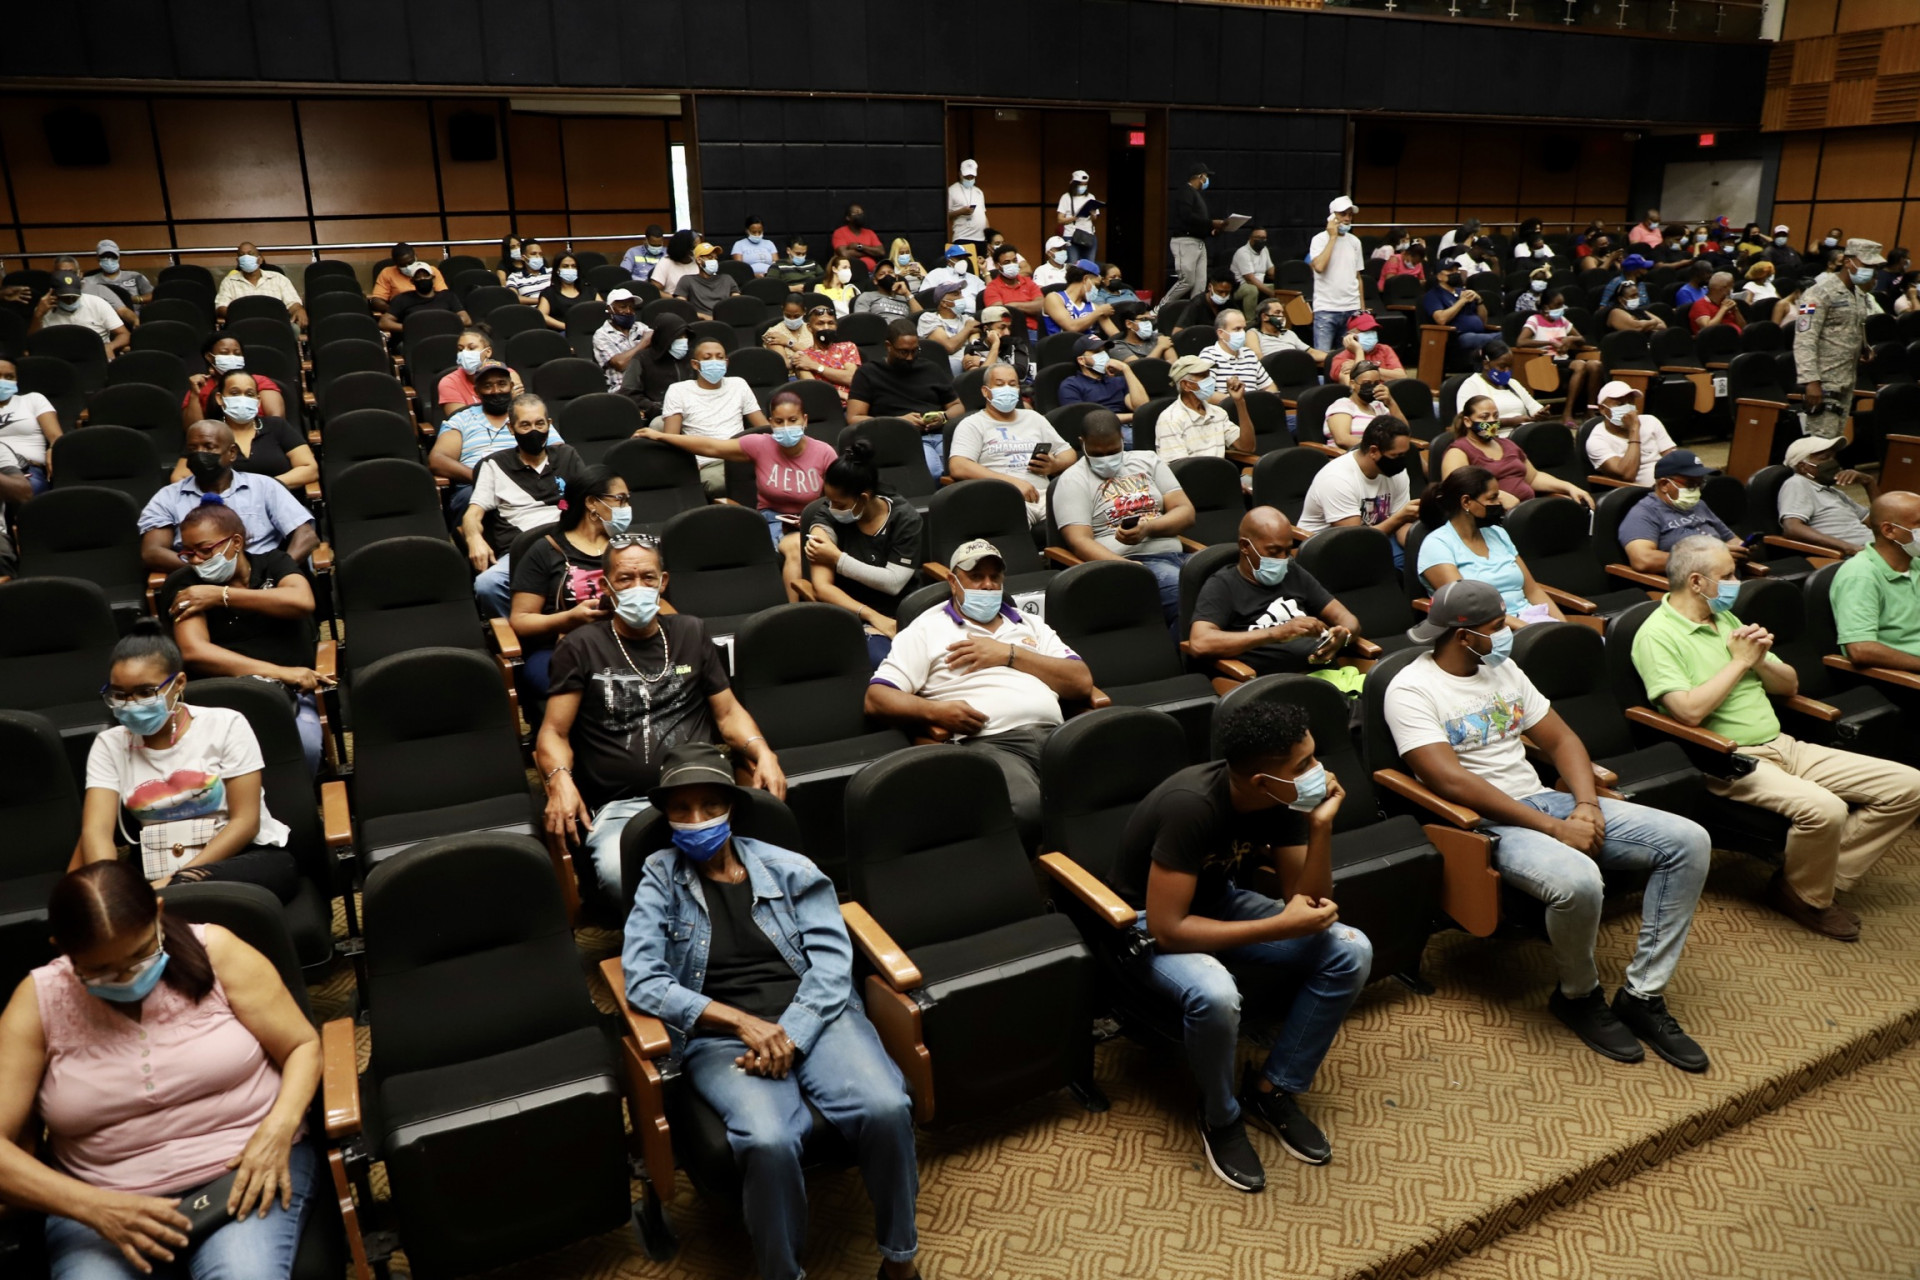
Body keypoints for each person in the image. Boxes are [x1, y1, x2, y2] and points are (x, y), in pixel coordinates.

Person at [620, 742, 921, 1280]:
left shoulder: (790, 869)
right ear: (666, 816)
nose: (696, 820)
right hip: (721, 1036)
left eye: (710, 806)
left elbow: (832, 967)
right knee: (768, 1139)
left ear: (732, 808)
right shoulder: (659, 878)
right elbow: (643, 980)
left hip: (817, 1016)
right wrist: (741, 1022)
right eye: (681, 809)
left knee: (885, 1105)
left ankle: (899, 1262)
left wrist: (792, 1034)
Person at [1389, 578, 1711, 1067]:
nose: (1508, 633)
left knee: (1690, 841)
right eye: (1497, 626)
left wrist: (1586, 805)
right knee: (1579, 881)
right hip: (1486, 823)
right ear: (1463, 635)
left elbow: (1562, 741)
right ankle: (1578, 995)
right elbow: (1449, 781)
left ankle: (1643, 995)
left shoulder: (1504, 669)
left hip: (1545, 800)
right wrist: (1556, 830)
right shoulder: (1411, 689)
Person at [0, 861, 323, 1277]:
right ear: (62, 948)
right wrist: (92, 1206)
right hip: (100, 1199)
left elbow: (302, 1045)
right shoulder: (38, 999)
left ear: (157, 912)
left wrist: (278, 1130)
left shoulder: (216, 952)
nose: (126, 979)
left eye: (139, 955)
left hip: (243, 1167)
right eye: (101, 970)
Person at [1112, 696, 1373, 1191]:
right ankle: (1220, 1116)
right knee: (1215, 995)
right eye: (1305, 765)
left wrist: (1320, 826)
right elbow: (1167, 929)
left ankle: (1272, 1089)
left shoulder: (1284, 797)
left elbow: (1310, 902)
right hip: (1144, 924)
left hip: (1219, 901)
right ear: (1260, 780)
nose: (1319, 772)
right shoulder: (1191, 806)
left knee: (1351, 949)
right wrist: (1276, 928)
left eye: (1314, 757)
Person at [1636, 535, 1920, 939]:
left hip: (1784, 745)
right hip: (1730, 759)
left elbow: (1789, 685)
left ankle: (1808, 880)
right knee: (1827, 809)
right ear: (1696, 582)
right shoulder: (1656, 635)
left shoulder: (1726, 620)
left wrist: (1759, 661)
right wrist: (1740, 663)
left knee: (1909, 786)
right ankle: (1809, 896)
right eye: (1728, 575)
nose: (1737, 582)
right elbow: (1689, 712)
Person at [537, 537, 786, 905]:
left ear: (663, 582)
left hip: (702, 789)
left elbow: (729, 713)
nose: (638, 587)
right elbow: (554, 732)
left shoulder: (690, 632)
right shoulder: (579, 646)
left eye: (648, 577)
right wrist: (559, 778)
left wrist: (763, 752)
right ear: (606, 586)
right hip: (622, 805)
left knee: (772, 857)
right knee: (619, 875)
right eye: (625, 578)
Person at [868, 538, 1090, 837]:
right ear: (953, 582)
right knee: (1027, 808)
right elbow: (877, 698)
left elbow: (1081, 682)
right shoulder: (925, 629)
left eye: (994, 577)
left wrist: (1009, 654)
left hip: (1056, 735)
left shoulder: (1030, 624)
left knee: (1108, 792)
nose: (987, 585)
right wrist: (935, 712)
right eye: (976, 576)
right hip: (990, 743)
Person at [80, 620, 302, 898]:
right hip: (158, 863)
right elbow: (97, 831)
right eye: (120, 695)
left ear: (178, 684)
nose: (131, 704)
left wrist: (175, 881)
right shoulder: (109, 744)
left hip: (239, 858)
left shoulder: (226, 724)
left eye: (145, 692)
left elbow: (245, 822)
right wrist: (111, 889)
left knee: (175, 896)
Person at [158, 501, 330, 772]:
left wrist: (222, 596)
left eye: (205, 550)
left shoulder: (274, 563)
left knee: (304, 746)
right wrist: (281, 672)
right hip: (222, 697)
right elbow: (195, 651)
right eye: (188, 553)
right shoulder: (184, 584)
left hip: (292, 693)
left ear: (236, 542)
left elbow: (301, 601)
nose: (196, 560)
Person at [1054, 411, 1194, 626]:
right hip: (1131, 561)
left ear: (1122, 438)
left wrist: (1148, 528)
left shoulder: (1148, 461)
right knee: (1184, 597)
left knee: (1223, 585)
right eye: (1097, 453)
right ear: (1082, 443)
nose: (1105, 459)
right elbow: (1078, 541)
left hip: (1178, 555)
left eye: (1112, 451)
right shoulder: (1072, 480)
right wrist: (1129, 568)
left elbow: (1185, 512)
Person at [643, 389, 834, 547]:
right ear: (770, 422)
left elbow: (834, 502)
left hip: (813, 520)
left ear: (805, 420)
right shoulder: (760, 445)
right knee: (793, 549)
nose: (786, 427)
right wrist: (662, 436)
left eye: (793, 420)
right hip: (772, 520)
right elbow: (712, 447)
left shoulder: (824, 452)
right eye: (778, 421)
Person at [505, 465, 629, 704]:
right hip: (559, 648)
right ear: (592, 503)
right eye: (620, 499)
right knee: (596, 689)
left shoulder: (628, 547)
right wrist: (568, 619)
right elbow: (521, 621)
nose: (627, 508)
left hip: (624, 641)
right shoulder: (546, 550)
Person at [1188, 506, 1363, 675]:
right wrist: (1277, 633)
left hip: (1328, 673)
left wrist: (1344, 635)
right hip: (1274, 682)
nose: (1282, 559)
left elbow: (1346, 618)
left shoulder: (1293, 572)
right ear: (1245, 546)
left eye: (1287, 551)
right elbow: (1200, 643)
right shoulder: (1222, 585)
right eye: (1273, 551)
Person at [461, 393, 588, 617]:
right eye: (525, 425)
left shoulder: (567, 456)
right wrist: (473, 539)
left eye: (540, 424)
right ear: (512, 429)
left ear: (549, 424)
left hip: (569, 544)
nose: (534, 431)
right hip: (520, 551)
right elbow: (472, 514)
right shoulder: (493, 464)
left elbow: (591, 500)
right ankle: (517, 632)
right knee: (487, 585)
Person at [793, 444, 924, 659]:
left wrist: (837, 559)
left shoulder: (905, 519)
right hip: (852, 613)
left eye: (838, 503)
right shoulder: (826, 516)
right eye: (828, 500)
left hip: (902, 609)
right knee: (885, 662)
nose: (831, 508)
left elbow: (894, 582)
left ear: (863, 498)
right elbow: (823, 587)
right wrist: (872, 616)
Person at [138, 420, 317, 574]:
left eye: (209, 447)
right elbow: (152, 552)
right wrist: (206, 572)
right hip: (197, 580)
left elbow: (307, 536)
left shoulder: (264, 486)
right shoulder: (167, 497)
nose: (199, 454)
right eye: (192, 449)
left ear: (232, 453)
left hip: (261, 577)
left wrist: (276, 573)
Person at [1416, 466, 1566, 626]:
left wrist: (1563, 626)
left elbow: (1533, 590)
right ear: (1466, 502)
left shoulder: (1497, 533)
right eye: (1492, 498)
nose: (1499, 503)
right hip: (1487, 630)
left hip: (1530, 620)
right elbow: (1468, 607)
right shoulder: (1437, 545)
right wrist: (1528, 630)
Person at [948, 364, 1076, 527]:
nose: (1007, 389)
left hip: (1045, 496)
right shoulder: (972, 424)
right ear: (985, 391)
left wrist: (1055, 465)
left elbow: (1068, 452)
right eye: (1000, 384)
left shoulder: (1034, 418)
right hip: (1003, 497)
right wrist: (1012, 483)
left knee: (1083, 520)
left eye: (1012, 384)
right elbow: (958, 466)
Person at [432, 360, 560, 515]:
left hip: (531, 481)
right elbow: (438, 459)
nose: (496, 391)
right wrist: (483, 477)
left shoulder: (530, 416)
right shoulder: (461, 419)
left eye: (502, 384)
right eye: (487, 386)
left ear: (511, 386)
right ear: (477, 391)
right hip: (477, 487)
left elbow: (558, 450)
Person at [846, 323, 964, 479]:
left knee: (967, 467)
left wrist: (943, 417)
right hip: (902, 437)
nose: (910, 357)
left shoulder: (931, 369)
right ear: (888, 346)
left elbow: (957, 406)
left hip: (941, 434)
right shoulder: (868, 373)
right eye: (903, 352)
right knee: (933, 471)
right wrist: (899, 422)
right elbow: (854, 418)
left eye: (914, 351)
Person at [1297, 417, 1420, 566]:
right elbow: (1355, 541)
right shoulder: (1337, 479)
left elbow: (1401, 529)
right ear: (1373, 451)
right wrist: (1400, 517)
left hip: (1377, 539)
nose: (1402, 461)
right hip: (1329, 549)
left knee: (1418, 562)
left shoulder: (1396, 473)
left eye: (1404, 454)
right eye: (1396, 456)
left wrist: (1422, 549)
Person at [171, 370, 316, 496]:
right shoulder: (209, 432)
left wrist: (266, 486)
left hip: (280, 503)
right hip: (225, 508)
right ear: (220, 399)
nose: (242, 399)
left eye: (249, 394)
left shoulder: (277, 426)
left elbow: (309, 468)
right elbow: (179, 476)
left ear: (257, 401)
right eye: (234, 393)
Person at [1796, 237, 1883, 441]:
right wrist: (1811, 381)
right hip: (1824, 381)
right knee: (1820, 444)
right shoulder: (1818, 293)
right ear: (1847, 262)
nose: (1871, 271)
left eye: (1874, 267)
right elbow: (1804, 339)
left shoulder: (1858, 293)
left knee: (1836, 441)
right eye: (1867, 265)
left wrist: (1864, 347)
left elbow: (1856, 325)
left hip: (1847, 378)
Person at [1440, 396, 1593, 510]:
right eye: (1485, 417)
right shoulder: (1458, 451)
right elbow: (1456, 490)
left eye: (1495, 416)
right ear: (1467, 421)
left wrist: (1568, 487)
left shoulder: (1507, 444)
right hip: (1493, 518)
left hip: (1528, 510)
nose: (1492, 421)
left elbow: (1533, 477)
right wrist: (1496, 496)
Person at [658, 341, 769, 496]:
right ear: (695, 364)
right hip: (707, 463)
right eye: (707, 358)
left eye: (720, 357)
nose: (715, 361)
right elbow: (671, 438)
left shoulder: (738, 384)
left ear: (726, 363)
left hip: (740, 457)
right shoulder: (678, 390)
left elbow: (763, 428)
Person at [1832, 490, 1920, 674]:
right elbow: (1861, 649)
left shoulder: (1915, 563)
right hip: (1904, 676)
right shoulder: (1860, 576)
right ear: (1889, 531)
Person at [1619, 450, 1743, 573]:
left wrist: (1742, 547)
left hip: (1727, 574)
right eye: (1690, 484)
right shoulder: (1644, 513)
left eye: (1700, 484)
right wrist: (1704, 558)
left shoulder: (1699, 505)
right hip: (1692, 581)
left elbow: (1730, 538)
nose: (1696, 490)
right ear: (1664, 485)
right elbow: (1643, 560)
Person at [1776, 434, 1875, 553]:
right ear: (1803, 467)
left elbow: (1878, 522)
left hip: (1876, 547)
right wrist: (1849, 548)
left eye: (1833, 457)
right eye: (1825, 458)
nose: (1832, 462)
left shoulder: (1834, 492)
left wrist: (1869, 482)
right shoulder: (1797, 483)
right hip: (1854, 554)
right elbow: (1792, 528)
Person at [1518, 294, 1600, 424]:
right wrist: (1550, 342)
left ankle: (1590, 409)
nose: (1562, 308)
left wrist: (1571, 338)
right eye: (1558, 305)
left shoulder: (1562, 320)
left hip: (1564, 359)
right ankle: (1567, 413)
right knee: (1580, 365)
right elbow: (1521, 342)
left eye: (1562, 305)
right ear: (1546, 307)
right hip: (1544, 361)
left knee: (1595, 365)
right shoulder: (1535, 320)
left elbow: (1581, 339)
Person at [1156, 354, 1254, 461]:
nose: (1210, 380)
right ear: (1186, 385)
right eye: (1203, 376)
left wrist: (1240, 402)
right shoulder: (1170, 419)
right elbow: (1179, 467)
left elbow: (1247, 448)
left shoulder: (1218, 413)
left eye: (1208, 375)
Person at [184, 335, 289, 429]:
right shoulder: (199, 386)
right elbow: (194, 430)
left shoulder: (260, 381)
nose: (232, 357)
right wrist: (194, 394)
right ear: (209, 357)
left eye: (237, 354)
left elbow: (277, 422)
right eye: (224, 353)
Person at [1585, 381, 1677, 486]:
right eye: (1620, 404)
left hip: (1669, 484)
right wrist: (1634, 429)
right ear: (1602, 409)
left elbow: (1674, 459)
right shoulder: (1597, 440)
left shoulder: (1651, 421)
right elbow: (1628, 474)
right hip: (1639, 492)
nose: (1628, 409)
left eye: (1631, 403)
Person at [1305, 197, 1365, 352]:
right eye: (1343, 214)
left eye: (1350, 215)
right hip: (1326, 308)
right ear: (1332, 216)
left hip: (1352, 308)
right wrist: (1333, 237)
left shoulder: (1355, 242)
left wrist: (1362, 311)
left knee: (1349, 358)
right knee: (1323, 357)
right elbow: (1319, 267)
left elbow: (1358, 277)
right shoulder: (1319, 239)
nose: (1347, 218)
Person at [1058, 335, 1149, 436]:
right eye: (1097, 352)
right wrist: (1134, 416)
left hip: (1131, 426)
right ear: (1081, 360)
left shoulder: (1118, 380)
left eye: (1104, 350)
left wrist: (1126, 369)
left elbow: (1142, 407)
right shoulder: (1071, 385)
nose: (1103, 355)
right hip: (1101, 432)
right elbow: (1085, 420)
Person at [1164, 159, 1222, 310]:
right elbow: (1187, 216)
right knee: (1187, 281)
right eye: (1206, 176)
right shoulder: (1185, 191)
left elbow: (1198, 223)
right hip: (1185, 241)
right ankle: (1159, 310)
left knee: (1200, 284)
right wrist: (1211, 223)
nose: (1207, 180)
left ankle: (1193, 314)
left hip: (1199, 242)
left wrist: (1211, 230)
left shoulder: (1196, 194)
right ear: (1200, 176)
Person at [30, 269, 129, 356]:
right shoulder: (43, 308)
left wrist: (110, 347)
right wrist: (38, 315)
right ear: (53, 293)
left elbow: (124, 334)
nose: (70, 301)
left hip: (96, 353)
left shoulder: (97, 303)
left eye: (74, 297)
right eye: (65, 297)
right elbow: (32, 343)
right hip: (60, 355)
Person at [0, 355, 62, 492]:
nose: (3, 381)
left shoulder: (33, 400)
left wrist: (53, 449)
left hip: (26, 470)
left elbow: (56, 437)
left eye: (9, 377)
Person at [437, 324, 524, 419]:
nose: (464, 353)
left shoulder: (509, 374)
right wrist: (505, 401)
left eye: (471, 348)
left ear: (488, 352)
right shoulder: (449, 382)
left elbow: (520, 415)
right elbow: (461, 421)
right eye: (460, 349)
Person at [621, 312, 694, 422]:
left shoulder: (692, 357)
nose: (683, 341)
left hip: (694, 411)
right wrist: (654, 408)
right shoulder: (642, 359)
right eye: (678, 337)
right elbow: (628, 393)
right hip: (660, 414)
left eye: (685, 336)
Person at [1458, 342, 1551, 428]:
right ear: (1486, 364)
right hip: (1493, 436)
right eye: (1502, 366)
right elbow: (1465, 423)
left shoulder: (1513, 383)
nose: (1507, 371)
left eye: (1509, 367)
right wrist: (1510, 422)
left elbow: (1535, 408)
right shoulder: (1471, 385)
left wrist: (1541, 414)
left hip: (1522, 433)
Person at [378, 261, 468, 350]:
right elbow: (384, 323)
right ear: (412, 281)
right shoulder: (402, 299)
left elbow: (466, 320)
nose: (422, 278)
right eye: (418, 277)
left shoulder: (448, 296)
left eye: (426, 276)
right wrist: (411, 327)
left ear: (433, 279)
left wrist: (440, 326)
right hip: (414, 341)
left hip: (445, 338)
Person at [212, 245, 306, 329]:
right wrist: (243, 314)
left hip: (276, 325)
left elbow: (293, 303)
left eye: (250, 254)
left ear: (260, 259)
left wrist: (299, 310)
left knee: (293, 329)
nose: (246, 257)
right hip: (242, 325)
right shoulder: (229, 281)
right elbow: (221, 307)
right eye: (242, 255)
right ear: (238, 261)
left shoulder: (278, 278)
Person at [1322, 362, 1403, 451]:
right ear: (1352, 384)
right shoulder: (1343, 405)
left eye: (1376, 383)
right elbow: (1342, 439)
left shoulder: (1378, 406)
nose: (1372, 387)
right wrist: (1379, 448)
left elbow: (1402, 432)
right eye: (1367, 383)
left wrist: (1391, 402)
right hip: (1351, 455)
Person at [791, 305, 863, 403]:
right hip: (826, 405)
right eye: (820, 323)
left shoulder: (847, 347)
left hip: (854, 404)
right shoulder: (802, 356)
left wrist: (815, 366)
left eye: (830, 323)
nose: (826, 328)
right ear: (809, 327)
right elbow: (815, 388)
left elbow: (851, 379)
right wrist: (842, 394)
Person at [1420, 269, 1498, 356]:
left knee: (1502, 336)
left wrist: (1479, 301)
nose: (1455, 273)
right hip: (1458, 337)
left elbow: (1483, 321)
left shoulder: (1464, 292)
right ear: (1439, 276)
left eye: (1456, 270)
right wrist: (1462, 301)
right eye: (1450, 270)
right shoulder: (1433, 295)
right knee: (1500, 338)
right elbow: (1441, 319)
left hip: (1479, 334)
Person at [1200, 310, 1276, 396]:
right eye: (1237, 329)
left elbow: (1270, 387)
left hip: (1255, 403)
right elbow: (1206, 394)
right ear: (1221, 333)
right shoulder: (1209, 355)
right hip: (1227, 404)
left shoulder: (1249, 354)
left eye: (1244, 328)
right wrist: (1239, 401)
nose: (1242, 333)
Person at [591, 288, 651, 392]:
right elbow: (620, 363)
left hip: (648, 385)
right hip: (622, 389)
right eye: (623, 307)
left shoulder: (641, 327)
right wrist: (644, 342)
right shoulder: (601, 335)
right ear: (610, 309)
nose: (628, 311)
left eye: (631, 307)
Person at [982, 243, 1044, 340]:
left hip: (1035, 331)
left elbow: (1041, 305)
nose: (1012, 264)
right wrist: (1028, 307)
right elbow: (999, 314)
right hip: (1011, 334)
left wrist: (1013, 305)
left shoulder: (1028, 281)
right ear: (997, 265)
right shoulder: (992, 288)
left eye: (1015, 261)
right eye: (1007, 262)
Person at [916, 280, 977, 376]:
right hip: (947, 365)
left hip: (970, 361)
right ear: (944, 303)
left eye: (960, 293)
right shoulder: (928, 318)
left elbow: (975, 345)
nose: (962, 298)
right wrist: (967, 329)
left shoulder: (967, 319)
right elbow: (949, 347)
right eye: (956, 295)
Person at [1041, 263, 1117, 339]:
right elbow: (1071, 327)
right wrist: (1099, 312)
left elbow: (1116, 335)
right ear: (1085, 279)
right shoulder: (1054, 298)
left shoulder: (1093, 307)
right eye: (1096, 286)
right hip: (1063, 345)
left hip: (1091, 344)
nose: (1096, 291)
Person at [369, 242, 448, 312]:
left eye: (410, 262)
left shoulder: (431, 271)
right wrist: (394, 311)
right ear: (395, 263)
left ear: (415, 256)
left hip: (430, 311)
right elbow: (376, 301)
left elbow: (444, 296)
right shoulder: (387, 273)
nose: (408, 267)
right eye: (402, 265)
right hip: (402, 315)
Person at [1326, 314, 1404, 385]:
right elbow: (1357, 386)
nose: (1371, 333)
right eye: (1365, 331)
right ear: (1351, 335)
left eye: (1373, 329)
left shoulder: (1385, 349)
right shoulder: (1340, 359)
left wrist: (1366, 367)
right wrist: (1358, 351)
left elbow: (1402, 377)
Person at [677, 242, 739, 321]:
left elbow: (737, 304)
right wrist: (704, 317)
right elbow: (681, 308)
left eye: (715, 258)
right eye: (710, 257)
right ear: (699, 260)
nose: (714, 261)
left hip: (726, 321)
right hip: (701, 323)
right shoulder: (687, 280)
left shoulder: (727, 279)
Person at [87, 238, 154, 310]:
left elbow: (153, 295)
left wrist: (134, 299)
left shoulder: (136, 276)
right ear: (98, 258)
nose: (109, 260)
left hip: (135, 313)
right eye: (104, 256)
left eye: (112, 256)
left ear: (118, 257)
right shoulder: (89, 281)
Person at [536, 251, 594, 330]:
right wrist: (567, 327)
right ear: (557, 270)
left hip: (591, 331)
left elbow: (603, 309)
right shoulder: (549, 293)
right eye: (565, 266)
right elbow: (542, 315)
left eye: (573, 266)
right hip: (563, 332)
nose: (570, 269)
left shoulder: (589, 290)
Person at [1229, 228, 1274, 319]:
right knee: (1252, 290)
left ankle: (1273, 317)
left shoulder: (1264, 249)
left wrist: (1281, 282)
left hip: (1258, 283)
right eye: (1258, 237)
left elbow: (1271, 270)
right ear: (1250, 238)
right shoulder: (1243, 252)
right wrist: (1270, 292)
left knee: (1278, 288)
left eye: (1263, 238)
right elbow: (1250, 279)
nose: (1261, 240)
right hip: (1240, 286)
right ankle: (1250, 320)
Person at [1057, 168, 1101, 258]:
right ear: (1074, 184)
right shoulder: (1066, 197)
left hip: (1089, 235)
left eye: (1085, 184)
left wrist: (1092, 213)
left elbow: (1094, 218)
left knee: (1088, 263)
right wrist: (1074, 217)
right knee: (1073, 262)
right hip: (1071, 235)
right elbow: (1060, 219)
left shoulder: (1091, 197)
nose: (1083, 187)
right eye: (1081, 184)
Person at [947, 159, 988, 255]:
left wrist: (988, 236)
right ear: (960, 174)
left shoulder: (978, 191)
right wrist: (961, 211)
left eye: (972, 177)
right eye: (966, 176)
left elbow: (984, 215)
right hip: (963, 237)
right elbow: (945, 216)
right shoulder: (952, 190)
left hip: (981, 238)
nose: (969, 179)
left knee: (981, 263)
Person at [1686, 271, 1745, 337]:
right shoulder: (1700, 305)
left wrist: (1735, 310)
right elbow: (1707, 329)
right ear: (1722, 288)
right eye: (1731, 286)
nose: (1732, 289)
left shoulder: (1727, 303)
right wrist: (1723, 310)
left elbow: (1744, 328)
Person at [832, 202, 883, 272]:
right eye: (856, 213)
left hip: (871, 273)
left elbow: (881, 251)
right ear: (848, 217)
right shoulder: (840, 232)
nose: (860, 215)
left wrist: (859, 246)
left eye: (861, 213)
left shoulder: (870, 233)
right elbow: (844, 254)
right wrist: (870, 253)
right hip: (850, 274)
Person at [653, 230, 701, 299]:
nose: (698, 250)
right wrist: (676, 299)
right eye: (695, 247)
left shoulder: (699, 261)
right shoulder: (665, 262)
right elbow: (654, 290)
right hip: (673, 302)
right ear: (685, 248)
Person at [503, 238, 552, 302]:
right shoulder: (514, 277)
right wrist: (543, 301)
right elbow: (513, 297)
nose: (538, 257)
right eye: (533, 254)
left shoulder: (552, 272)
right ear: (523, 258)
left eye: (540, 254)